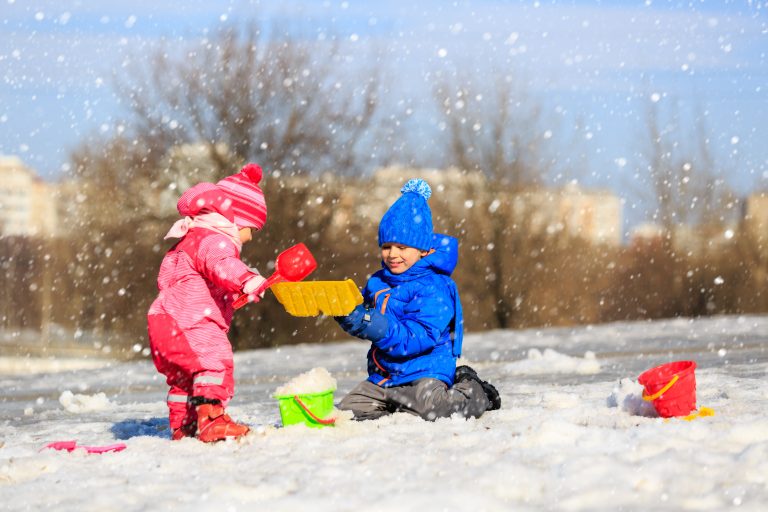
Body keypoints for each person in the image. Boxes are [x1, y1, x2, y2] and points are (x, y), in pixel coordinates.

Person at [335, 178, 501, 421]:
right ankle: (394, 403)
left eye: (402, 247)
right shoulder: (378, 282)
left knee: (433, 409)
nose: (393, 254)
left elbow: (415, 338)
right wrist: (344, 312)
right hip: (385, 375)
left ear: (423, 250)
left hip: (424, 370)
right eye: (387, 246)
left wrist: (368, 321)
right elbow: (363, 320)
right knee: (348, 412)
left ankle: (474, 391)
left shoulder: (434, 288)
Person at [147, 163, 268, 442]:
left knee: (185, 377)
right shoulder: (215, 240)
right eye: (251, 228)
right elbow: (221, 264)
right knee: (215, 362)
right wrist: (246, 280)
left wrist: (232, 294)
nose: (249, 236)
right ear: (234, 218)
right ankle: (212, 419)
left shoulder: (189, 238)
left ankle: (184, 425)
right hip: (193, 322)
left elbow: (184, 279)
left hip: (164, 321)